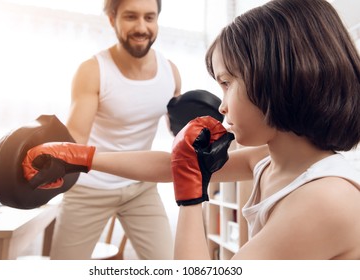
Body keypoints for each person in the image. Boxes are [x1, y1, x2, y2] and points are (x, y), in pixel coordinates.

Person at [23, 0, 360, 259]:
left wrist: (189, 198)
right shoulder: (269, 161)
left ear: (279, 82)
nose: (222, 105)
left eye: (227, 83)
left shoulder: (325, 200)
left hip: (137, 192)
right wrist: (80, 157)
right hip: (92, 191)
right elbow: (171, 164)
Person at [49, 0, 181, 260]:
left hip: (140, 187)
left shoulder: (171, 72)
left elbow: (179, 130)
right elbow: (75, 141)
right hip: (89, 187)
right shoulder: (93, 71)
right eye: (131, 17)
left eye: (150, 18)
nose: (142, 27)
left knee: (167, 266)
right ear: (112, 19)